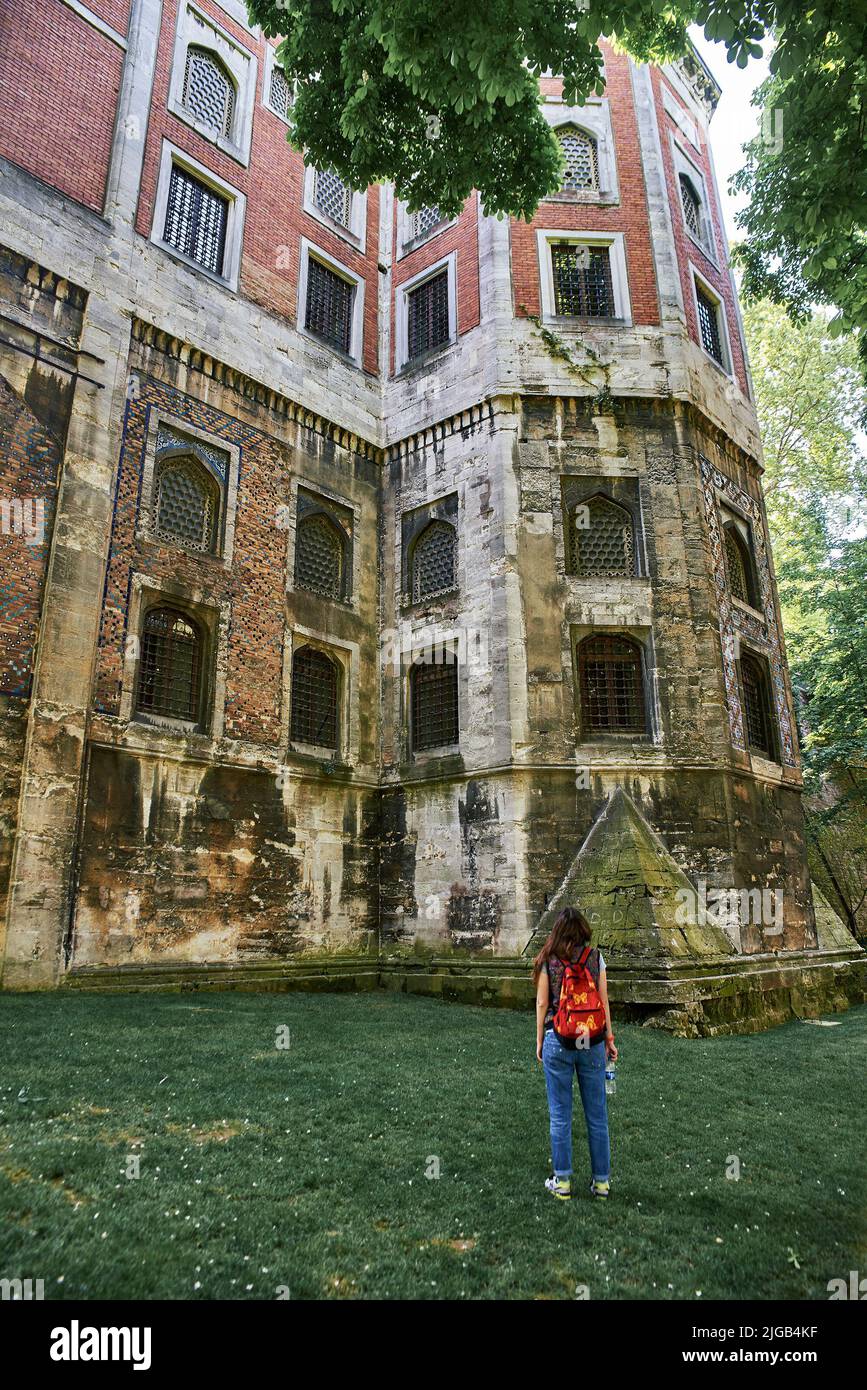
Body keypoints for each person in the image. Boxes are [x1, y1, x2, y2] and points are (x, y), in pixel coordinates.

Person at [533, 906, 617, 1201]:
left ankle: (564, 1182)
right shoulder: (596, 958)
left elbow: (543, 1004)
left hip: (560, 1039)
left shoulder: (549, 961)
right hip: (591, 1041)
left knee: (560, 1116)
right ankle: (602, 1184)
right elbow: (603, 1001)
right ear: (584, 930)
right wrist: (609, 1037)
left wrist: (540, 1040)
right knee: (597, 1116)